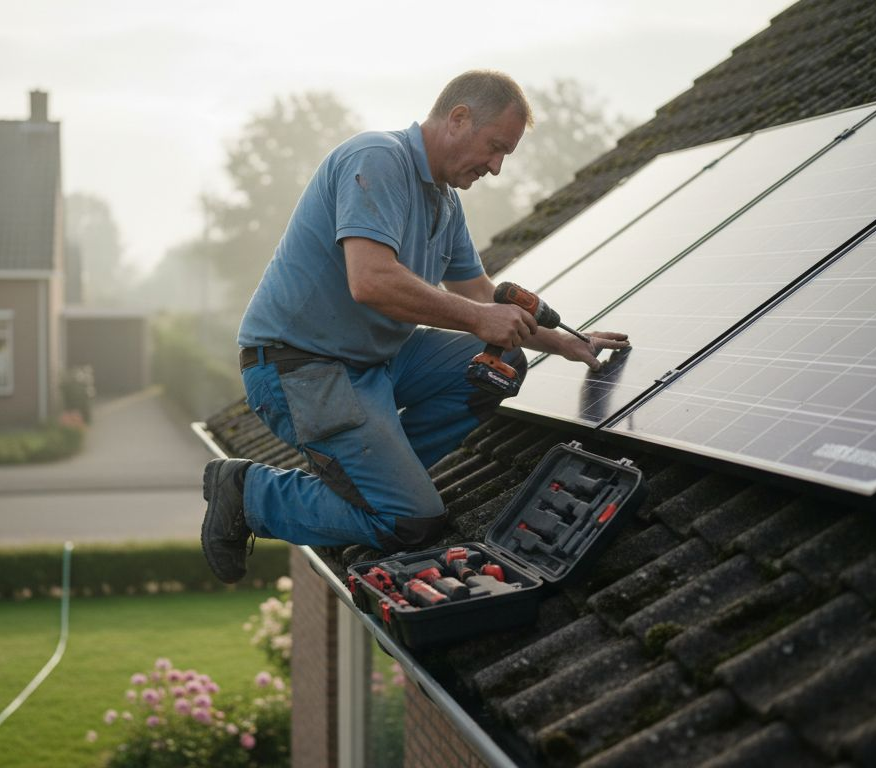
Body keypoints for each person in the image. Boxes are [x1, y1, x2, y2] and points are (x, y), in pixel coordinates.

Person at [201, 70, 629, 584]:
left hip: (376, 363)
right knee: (412, 521)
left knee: (499, 362)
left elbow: (479, 293)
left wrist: (562, 343)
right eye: (494, 148)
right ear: (458, 118)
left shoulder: (444, 203)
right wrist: (479, 318)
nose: (495, 168)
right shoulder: (377, 160)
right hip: (300, 369)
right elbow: (372, 281)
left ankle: (373, 470)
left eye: (504, 156)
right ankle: (249, 492)